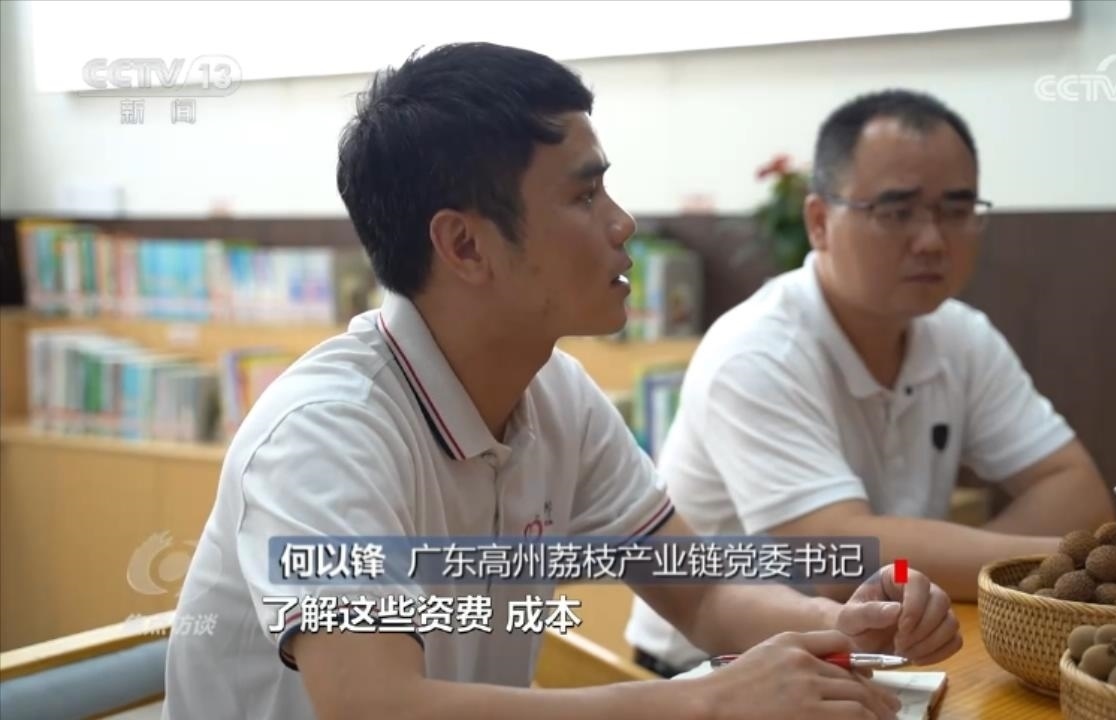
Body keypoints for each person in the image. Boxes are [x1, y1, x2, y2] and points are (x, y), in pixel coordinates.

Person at [161, 46, 962, 720]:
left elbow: (704, 596)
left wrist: (838, 623)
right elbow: (377, 704)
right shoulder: (323, 433)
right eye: (583, 194)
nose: (622, 222)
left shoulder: (557, 394)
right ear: (465, 246)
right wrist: (702, 701)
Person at [625, 89, 1116, 677]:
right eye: (896, 212)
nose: (933, 240)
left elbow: (1074, 489)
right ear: (819, 221)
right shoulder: (757, 350)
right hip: (713, 665)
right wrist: (1096, 558)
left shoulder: (959, 334)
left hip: (887, 648)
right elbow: (837, 557)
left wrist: (936, 573)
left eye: (957, 210)